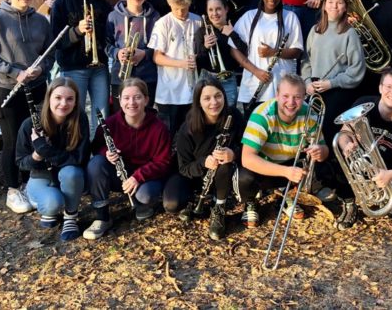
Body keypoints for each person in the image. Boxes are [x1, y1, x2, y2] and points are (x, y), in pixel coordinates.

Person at [0, 0, 54, 214]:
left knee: (35, 134)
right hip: (7, 90)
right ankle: (13, 189)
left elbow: (50, 54)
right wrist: (13, 72)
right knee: (12, 140)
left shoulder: (42, 21)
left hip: (37, 88)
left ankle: (32, 181)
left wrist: (42, 67)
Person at [333, 68, 392, 229]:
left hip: (391, 169)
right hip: (363, 164)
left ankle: (386, 201)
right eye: (388, 87)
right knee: (337, 165)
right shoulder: (363, 105)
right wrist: (346, 144)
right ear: (380, 88)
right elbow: (343, 134)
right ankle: (350, 204)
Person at [84, 78, 172, 239]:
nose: (131, 102)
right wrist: (106, 153)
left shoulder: (159, 127)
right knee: (95, 164)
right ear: (119, 100)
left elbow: (163, 162)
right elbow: (97, 147)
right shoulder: (109, 123)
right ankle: (102, 217)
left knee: (145, 195)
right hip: (120, 175)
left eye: (137, 97)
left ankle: (141, 204)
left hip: (146, 177)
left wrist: (138, 176)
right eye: (126, 98)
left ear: (146, 100)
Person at [237, 74, 329, 227]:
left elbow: (324, 150)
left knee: (322, 168)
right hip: (265, 168)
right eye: (285, 96)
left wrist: (320, 151)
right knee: (244, 177)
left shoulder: (309, 114)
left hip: (292, 165)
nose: (291, 103)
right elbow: (247, 158)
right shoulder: (262, 115)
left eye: (297, 97)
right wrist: (285, 171)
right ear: (277, 95)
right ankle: (251, 202)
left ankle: (287, 196)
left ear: (304, 96)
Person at [163, 77, 245, 240]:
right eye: (207, 98)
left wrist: (233, 153)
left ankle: (219, 207)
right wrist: (203, 163)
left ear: (224, 96)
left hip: (222, 173)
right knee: (171, 204)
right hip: (193, 175)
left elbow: (248, 147)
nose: (214, 102)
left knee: (224, 161)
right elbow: (183, 168)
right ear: (198, 102)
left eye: (218, 96)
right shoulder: (188, 127)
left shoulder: (233, 116)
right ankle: (195, 199)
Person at [15, 77, 90, 241]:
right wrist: (37, 154)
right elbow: (21, 163)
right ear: (49, 98)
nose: (64, 103)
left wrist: (45, 149)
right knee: (52, 204)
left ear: (76, 101)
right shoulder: (30, 124)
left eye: (70, 99)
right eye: (58, 98)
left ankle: (70, 216)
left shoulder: (80, 120)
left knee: (73, 173)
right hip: (40, 175)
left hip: (67, 172)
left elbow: (79, 159)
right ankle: (40, 199)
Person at [51, 0, 112, 135]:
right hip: (73, 67)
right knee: (74, 113)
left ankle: (98, 151)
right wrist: (77, 30)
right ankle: (78, 150)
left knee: (101, 113)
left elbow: (109, 34)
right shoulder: (61, 3)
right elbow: (56, 40)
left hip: (99, 66)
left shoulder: (102, 3)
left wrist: (96, 29)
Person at [229, 0, 303, 115]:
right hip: (253, 86)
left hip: (282, 87)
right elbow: (234, 49)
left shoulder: (290, 17)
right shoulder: (249, 17)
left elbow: (297, 51)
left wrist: (273, 52)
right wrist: (256, 71)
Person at [301, 0, 365, 149]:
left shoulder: (350, 34)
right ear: (324, 5)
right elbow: (306, 61)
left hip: (337, 92)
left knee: (329, 136)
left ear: (345, 7)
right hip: (314, 91)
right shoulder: (315, 31)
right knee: (311, 135)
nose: (334, 6)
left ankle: (330, 172)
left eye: (339, 2)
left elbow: (356, 70)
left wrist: (332, 83)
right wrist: (307, 82)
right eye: (330, 2)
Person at [148, 0, 202, 132]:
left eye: (184, 8)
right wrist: (182, 63)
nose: (180, 12)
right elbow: (157, 57)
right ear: (169, 3)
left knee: (191, 132)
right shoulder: (162, 23)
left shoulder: (198, 20)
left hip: (192, 90)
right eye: (176, 8)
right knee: (169, 135)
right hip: (169, 91)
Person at [106, 0, 160, 111]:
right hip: (120, 76)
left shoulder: (154, 17)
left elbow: (160, 46)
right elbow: (106, 43)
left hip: (147, 75)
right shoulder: (113, 16)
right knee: (120, 115)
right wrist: (117, 53)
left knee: (146, 114)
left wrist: (144, 54)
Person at [195, 0, 243, 106]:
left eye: (218, 9)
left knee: (229, 113)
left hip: (229, 79)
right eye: (210, 10)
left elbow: (245, 53)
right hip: (207, 79)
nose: (215, 13)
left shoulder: (235, 29)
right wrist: (205, 47)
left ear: (226, 9)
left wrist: (232, 35)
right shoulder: (202, 32)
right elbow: (198, 62)